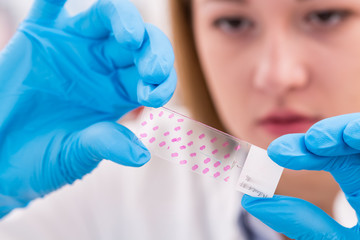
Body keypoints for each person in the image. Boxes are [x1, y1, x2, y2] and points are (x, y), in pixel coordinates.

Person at [0, 0, 359, 240]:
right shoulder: (115, 182)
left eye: (326, 16)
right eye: (233, 22)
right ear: (192, 34)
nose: (278, 75)